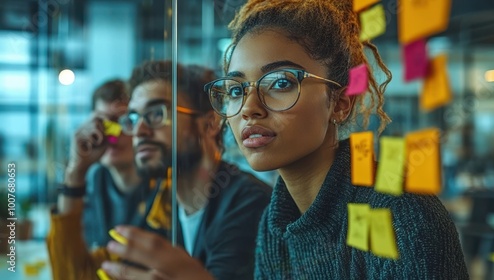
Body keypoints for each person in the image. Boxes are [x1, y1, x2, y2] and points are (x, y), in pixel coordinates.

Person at [101, 0, 469, 279]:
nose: (249, 108)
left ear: (340, 103)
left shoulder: (400, 215)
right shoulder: (276, 223)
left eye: (280, 83)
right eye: (235, 89)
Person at [66, 60, 271, 280]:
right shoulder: (165, 206)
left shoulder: (249, 204)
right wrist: (76, 173)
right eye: (133, 118)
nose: (139, 131)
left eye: (156, 113)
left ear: (209, 124)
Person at [47, 79, 170, 279]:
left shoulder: (166, 186)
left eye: (123, 121)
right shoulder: (91, 184)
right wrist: (76, 171)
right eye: (102, 123)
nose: (112, 135)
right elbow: (68, 272)